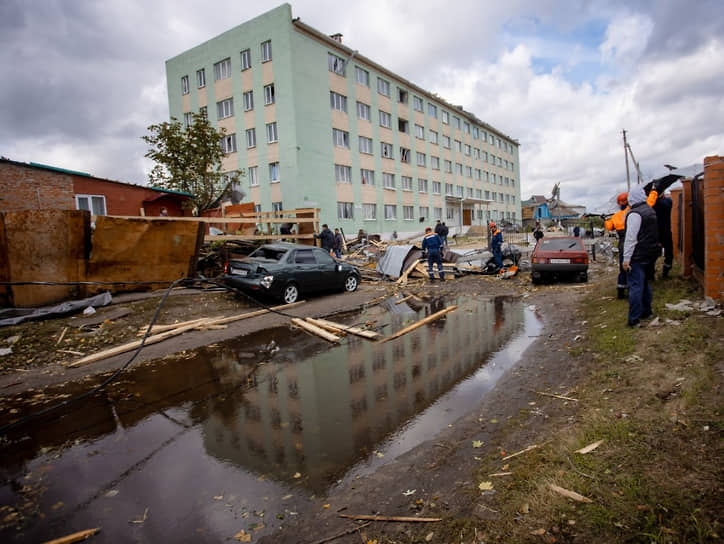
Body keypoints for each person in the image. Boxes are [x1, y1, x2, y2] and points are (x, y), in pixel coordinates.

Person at [622, 186, 659, 327]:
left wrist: (626, 259)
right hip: (650, 254)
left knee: (636, 286)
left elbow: (631, 238)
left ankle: (634, 319)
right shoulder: (650, 210)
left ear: (631, 199)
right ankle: (647, 312)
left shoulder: (634, 214)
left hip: (637, 255)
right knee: (644, 284)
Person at [653, 192, 673, 278]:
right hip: (664, 232)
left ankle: (652, 273)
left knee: (654, 254)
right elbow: (668, 202)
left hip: (656, 233)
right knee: (668, 254)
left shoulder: (652, 204)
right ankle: (665, 271)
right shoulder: (667, 202)